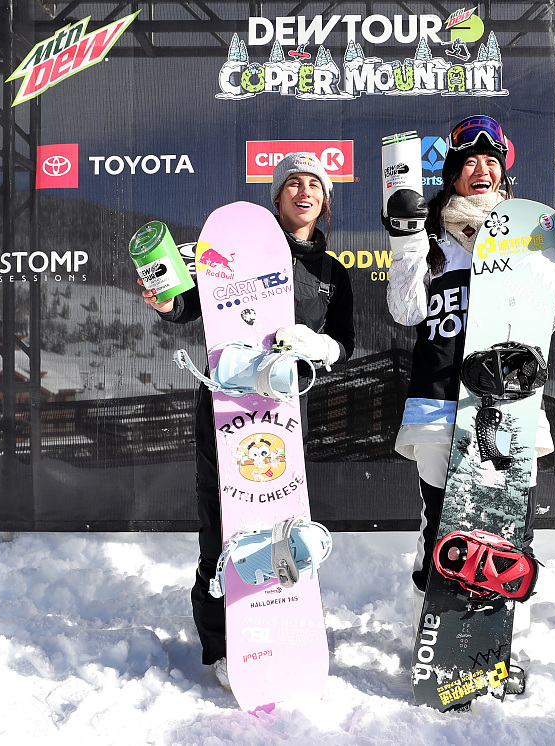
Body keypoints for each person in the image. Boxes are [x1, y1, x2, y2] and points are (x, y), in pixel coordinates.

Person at [140, 152, 355, 685]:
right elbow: (190, 305)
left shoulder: (333, 273)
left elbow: (344, 343)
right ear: (277, 197)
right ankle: (222, 645)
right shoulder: (237, 252)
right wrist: (168, 304)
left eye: (314, 185)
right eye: (293, 184)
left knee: (282, 521)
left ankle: (281, 632)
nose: (304, 192)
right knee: (223, 522)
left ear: (325, 201)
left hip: (284, 413)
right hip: (226, 408)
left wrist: (319, 347)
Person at [382, 114, 555, 671]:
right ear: (452, 175)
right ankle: (436, 645)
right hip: (441, 400)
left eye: (490, 162)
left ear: (503, 176)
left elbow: (547, 319)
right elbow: (405, 311)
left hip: (510, 404)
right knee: (443, 526)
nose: (480, 171)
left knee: (505, 529)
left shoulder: (529, 239)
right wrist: (406, 242)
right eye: (468, 162)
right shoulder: (431, 238)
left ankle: (492, 649)